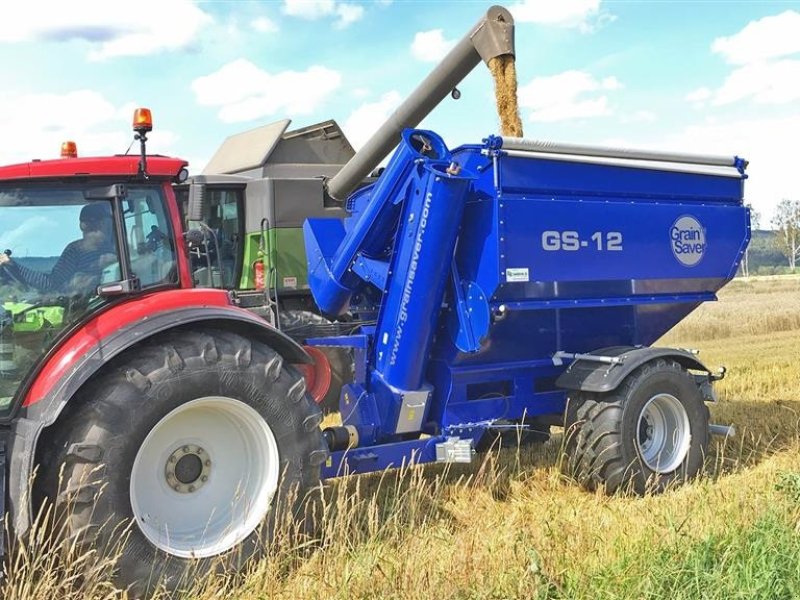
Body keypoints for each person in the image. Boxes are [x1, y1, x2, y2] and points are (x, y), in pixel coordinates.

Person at [0, 202, 117, 293]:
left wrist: (11, 264)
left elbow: (50, 284)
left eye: (101, 224)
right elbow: (52, 283)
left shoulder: (76, 250)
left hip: (95, 307)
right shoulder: (119, 250)